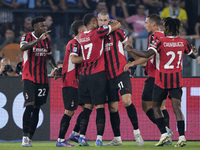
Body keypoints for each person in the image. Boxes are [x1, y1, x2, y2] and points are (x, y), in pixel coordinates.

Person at [124, 17, 198, 147]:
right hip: (176, 79)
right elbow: (192, 55)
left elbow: (147, 54)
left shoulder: (161, 42)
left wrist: (131, 50)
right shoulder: (183, 42)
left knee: (156, 107)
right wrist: (196, 53)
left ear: (168, 28)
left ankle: (164, 133)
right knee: (177, 108)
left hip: (162, 80)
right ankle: (181, 137)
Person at [97, 10, 144, 146]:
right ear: (98, 20)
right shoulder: (97, 34)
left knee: (127, 101)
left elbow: (128, 46)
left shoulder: (118, 31)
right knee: (113, 107)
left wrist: (135, 61)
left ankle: (137, 133)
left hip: (121, 71)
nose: (103, 23)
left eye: (106, 20)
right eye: (101, 20)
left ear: (109, 20)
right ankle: (117, 138)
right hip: (106, 75)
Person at [124, 14, 173, 145]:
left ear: (153, 24)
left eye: (146, 23)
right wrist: (133, 55)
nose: (144, 25)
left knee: (146, 107)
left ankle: (165, 131)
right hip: (166, 75)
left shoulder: (154, 36)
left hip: (154, 77)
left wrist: (131, 55)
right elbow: (147, 60)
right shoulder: (165, 36)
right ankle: (167, 136)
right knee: (162, 106)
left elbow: (146, 57)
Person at [78, 13, 121, 147]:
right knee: (100, 107)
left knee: (87, 108)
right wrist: (113, 22)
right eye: (97, 21)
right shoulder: (98, 32)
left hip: (84, 76)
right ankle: (99, 139)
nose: (99, 22)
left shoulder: (82, 36)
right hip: (97, 75)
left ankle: (81, 137)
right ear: (93, 22)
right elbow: (117, 26)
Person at [20, 16, 59, 147]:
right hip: (29, 76)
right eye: (42, 26)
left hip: (42, 79)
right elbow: (23, 48)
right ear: (35, 27)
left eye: (45, 26)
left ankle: (30, 138)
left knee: (37, 108)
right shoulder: (27, 37)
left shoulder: (46, 41)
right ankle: (24, 137)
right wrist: (37, 41)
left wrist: (55, 67)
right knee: (29, 105)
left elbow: (49, 56)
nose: (44, 28)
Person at [56, 20, 86, 147]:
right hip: (70, 81)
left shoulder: (81, 44)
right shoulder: (74, 43)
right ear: (80, 31)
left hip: (79, 82)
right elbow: (73, 60)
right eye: (86, 29)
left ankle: (74, 133)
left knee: (87, 108)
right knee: (69, 111)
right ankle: (60, 140)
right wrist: (89, 57)